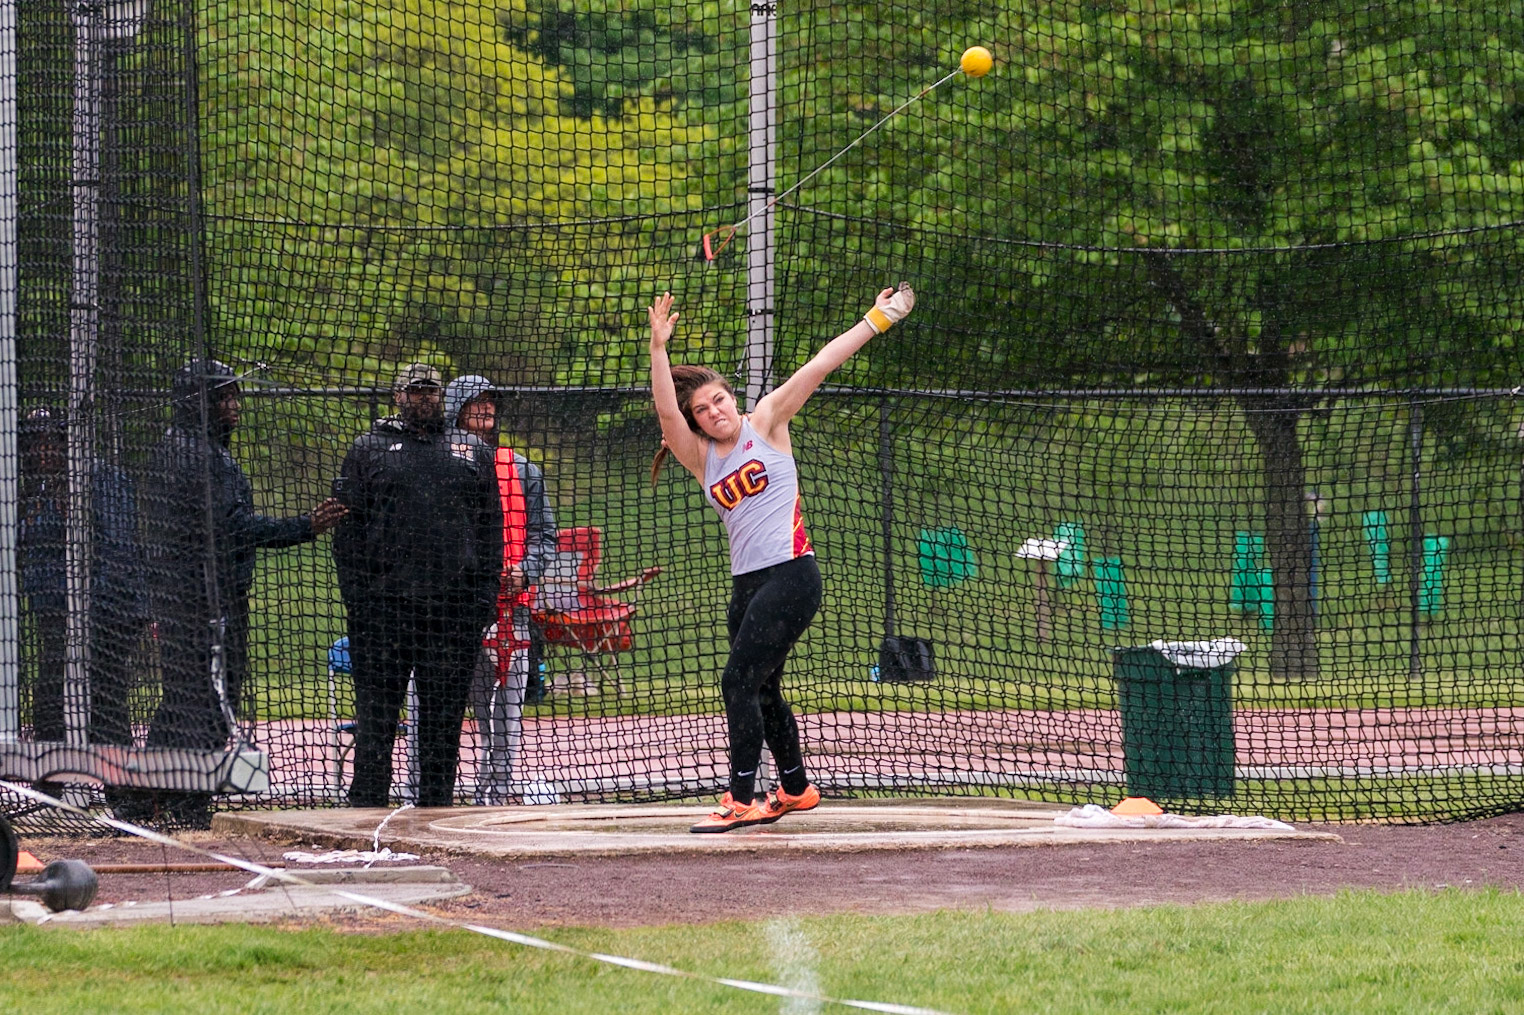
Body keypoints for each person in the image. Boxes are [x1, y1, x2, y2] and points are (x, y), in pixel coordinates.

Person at [648, 283, 916, 832]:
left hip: (792, 575)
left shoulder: (766, 421)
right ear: (695, 421)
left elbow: (820, 365)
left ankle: (740, 798)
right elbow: (665, 412)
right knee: (762, 687)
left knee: (737, 682)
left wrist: (878, 318)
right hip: (747, 586)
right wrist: (658, 348)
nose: (714, 411)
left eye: (719, 400)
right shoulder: (699, 457)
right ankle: (795, 788)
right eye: (702, 409)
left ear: (732, 399)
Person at [139, 359, 347, 829]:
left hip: (196, 597)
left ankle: (151, 795)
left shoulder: (190, 448)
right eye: (224, 398)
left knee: (188, 699)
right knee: (207, 701)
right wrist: (304, 526)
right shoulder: (195, 454)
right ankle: (181, 800)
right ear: (199, 403)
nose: (234, 406)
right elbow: (232, 527)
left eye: (235, 396)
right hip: (202, 601)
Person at [331, 363, 503, 809]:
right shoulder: (368, 448)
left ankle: (435, 811)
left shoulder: (471, 450)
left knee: (443, 724)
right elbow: (347, 534)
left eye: (431, 391)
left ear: (441, 397)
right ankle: (365, 812)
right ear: (398, 396)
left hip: (453, 613)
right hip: (384, 612)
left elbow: (490, 531)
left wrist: (483, 599)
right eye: (415, 391)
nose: (424, 398)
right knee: (377, 721)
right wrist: (358, 601)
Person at [442, 375, 557, 804]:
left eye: (491, 401)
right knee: (436, 709)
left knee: (505, 715)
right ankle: (428, 795)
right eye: (476, 401)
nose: (486, 407)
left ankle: (497, 793)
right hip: (446, 613)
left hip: (510, 611)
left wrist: (525, 571)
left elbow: (544, 536)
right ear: (456, 408)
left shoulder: (521, 468)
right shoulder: (434, 463)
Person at [17, 407, 147, 780]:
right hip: (55, 616)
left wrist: (89, 611)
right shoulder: (40, 490)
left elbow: (118, 550)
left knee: (104, 701)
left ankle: (126, 793)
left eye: (50, 442)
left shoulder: (102, 480)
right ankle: (53, 787)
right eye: (35, 444)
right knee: (50, 701)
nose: (42, 452)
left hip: (104, 613)